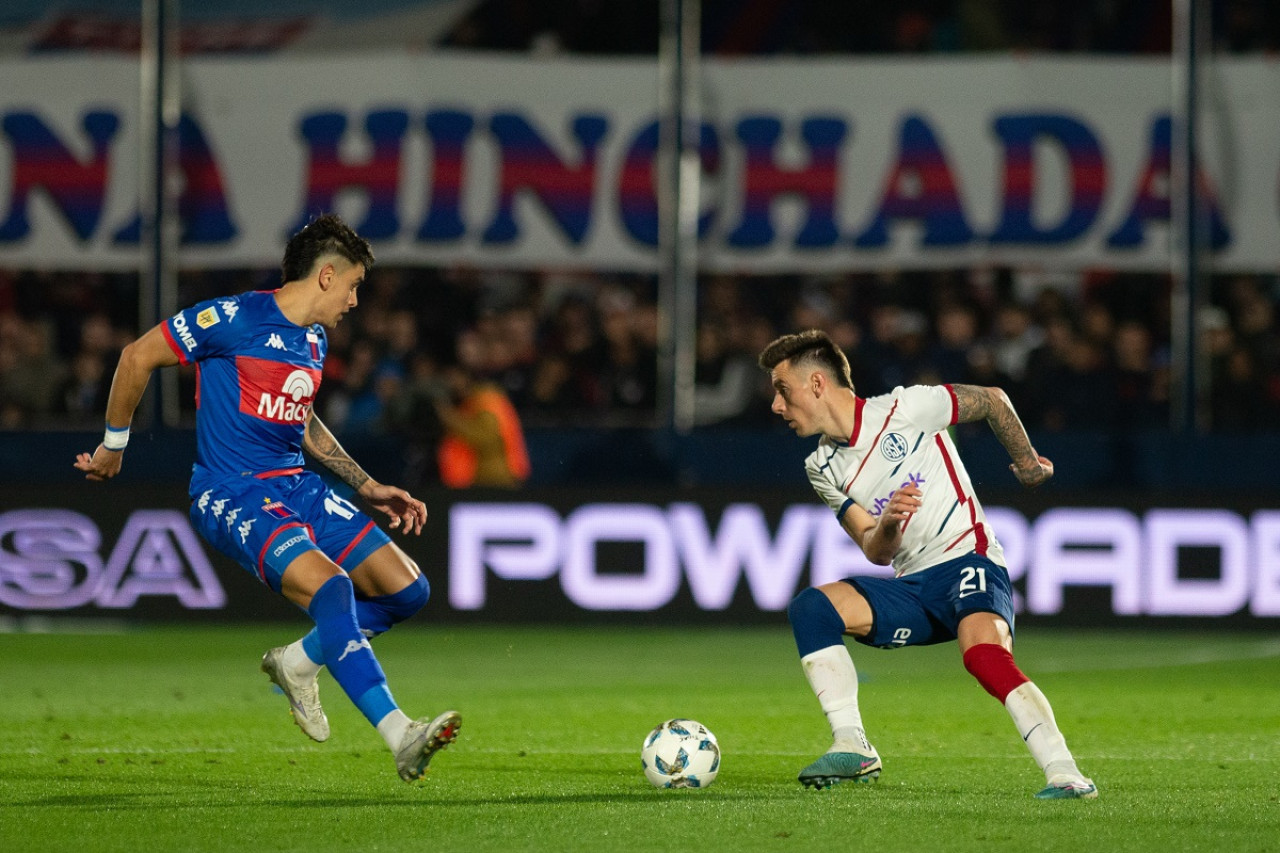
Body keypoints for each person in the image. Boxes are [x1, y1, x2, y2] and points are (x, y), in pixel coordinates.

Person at [74, 213, 460, 783]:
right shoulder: (232, 318)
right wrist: (113, 445)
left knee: (407, 591)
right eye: (354, 285)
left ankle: (299, 662)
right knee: (331, 590)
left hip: (296, 485)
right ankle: (399, 733)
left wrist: (366, 485)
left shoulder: (313, 339)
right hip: (232, 491)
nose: (356, 300)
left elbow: (300, 420)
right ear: (326, 277)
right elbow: (136, 357)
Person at [758, 328, 1096, 800]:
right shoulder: (822, 466)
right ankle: (853, 745)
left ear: (816, 384)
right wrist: (891, 522)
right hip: (913, 586)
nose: (776, 406)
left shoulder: (906, 408)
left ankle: (1065, 773)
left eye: (782, 390)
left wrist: (1027, 464)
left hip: (968, 560)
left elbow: (993, 400)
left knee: (982, 656)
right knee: (811, 609)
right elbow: (875, 550)